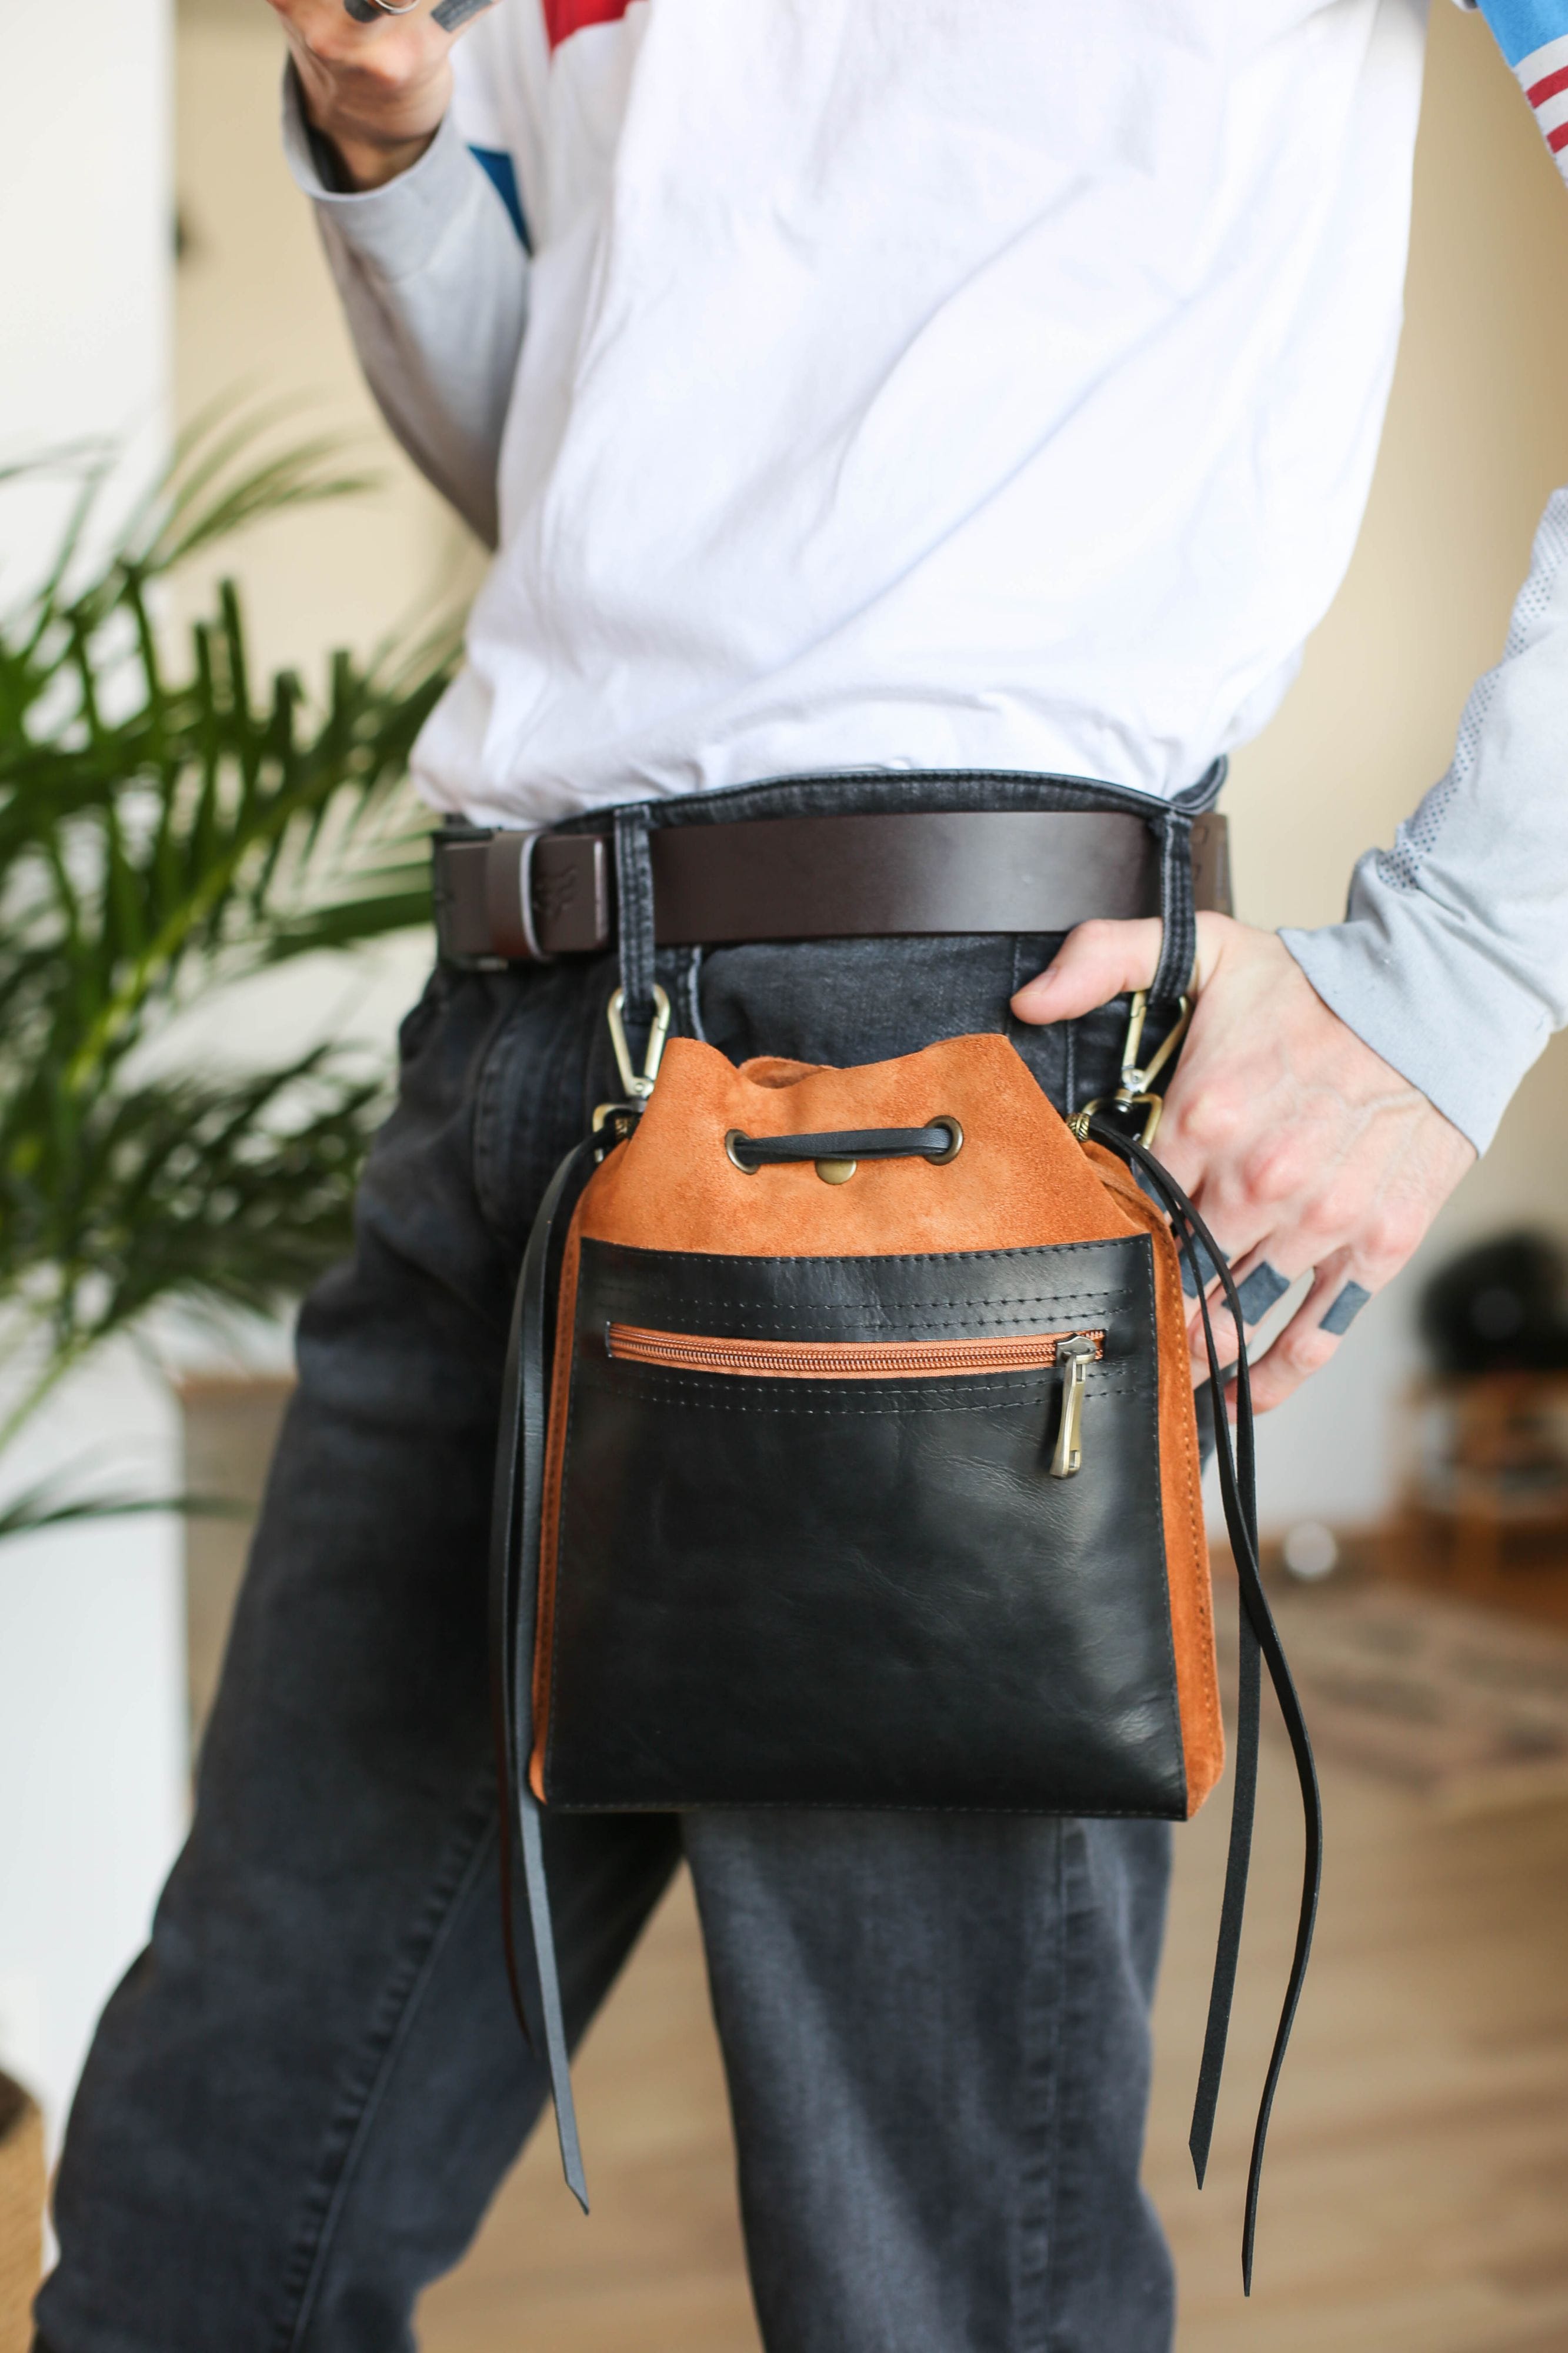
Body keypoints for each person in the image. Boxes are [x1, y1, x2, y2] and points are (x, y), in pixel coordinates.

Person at [35, 1, 1568, 2347]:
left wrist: (1447, 980)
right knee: (202, 2229)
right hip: (516, 1051)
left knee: (938, 2290)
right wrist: (390, 138)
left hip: (954, 1057)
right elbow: (585, 458)